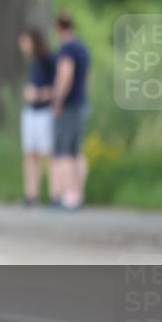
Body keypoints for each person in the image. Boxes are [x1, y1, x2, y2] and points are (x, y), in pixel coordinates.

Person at [51, 12, 90, 209]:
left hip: (69, 105)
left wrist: (58, 101)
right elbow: (87, 78)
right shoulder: (83, 48)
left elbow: (65, 75)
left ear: (59, 27)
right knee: (77, 151)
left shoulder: (66, 49)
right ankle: (78, 193)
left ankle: (68, 196)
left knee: (64, 151)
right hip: (82, 103)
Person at [18, 29, 57, 206]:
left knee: (47, 154)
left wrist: (39, 95)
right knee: (30, 154)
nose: (22, 46)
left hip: (44, 112)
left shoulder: (49, 60)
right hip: (31, 112)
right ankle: (31, 194)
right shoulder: (32, 62)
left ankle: (55, 194)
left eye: (25, 42)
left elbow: (57, 87)